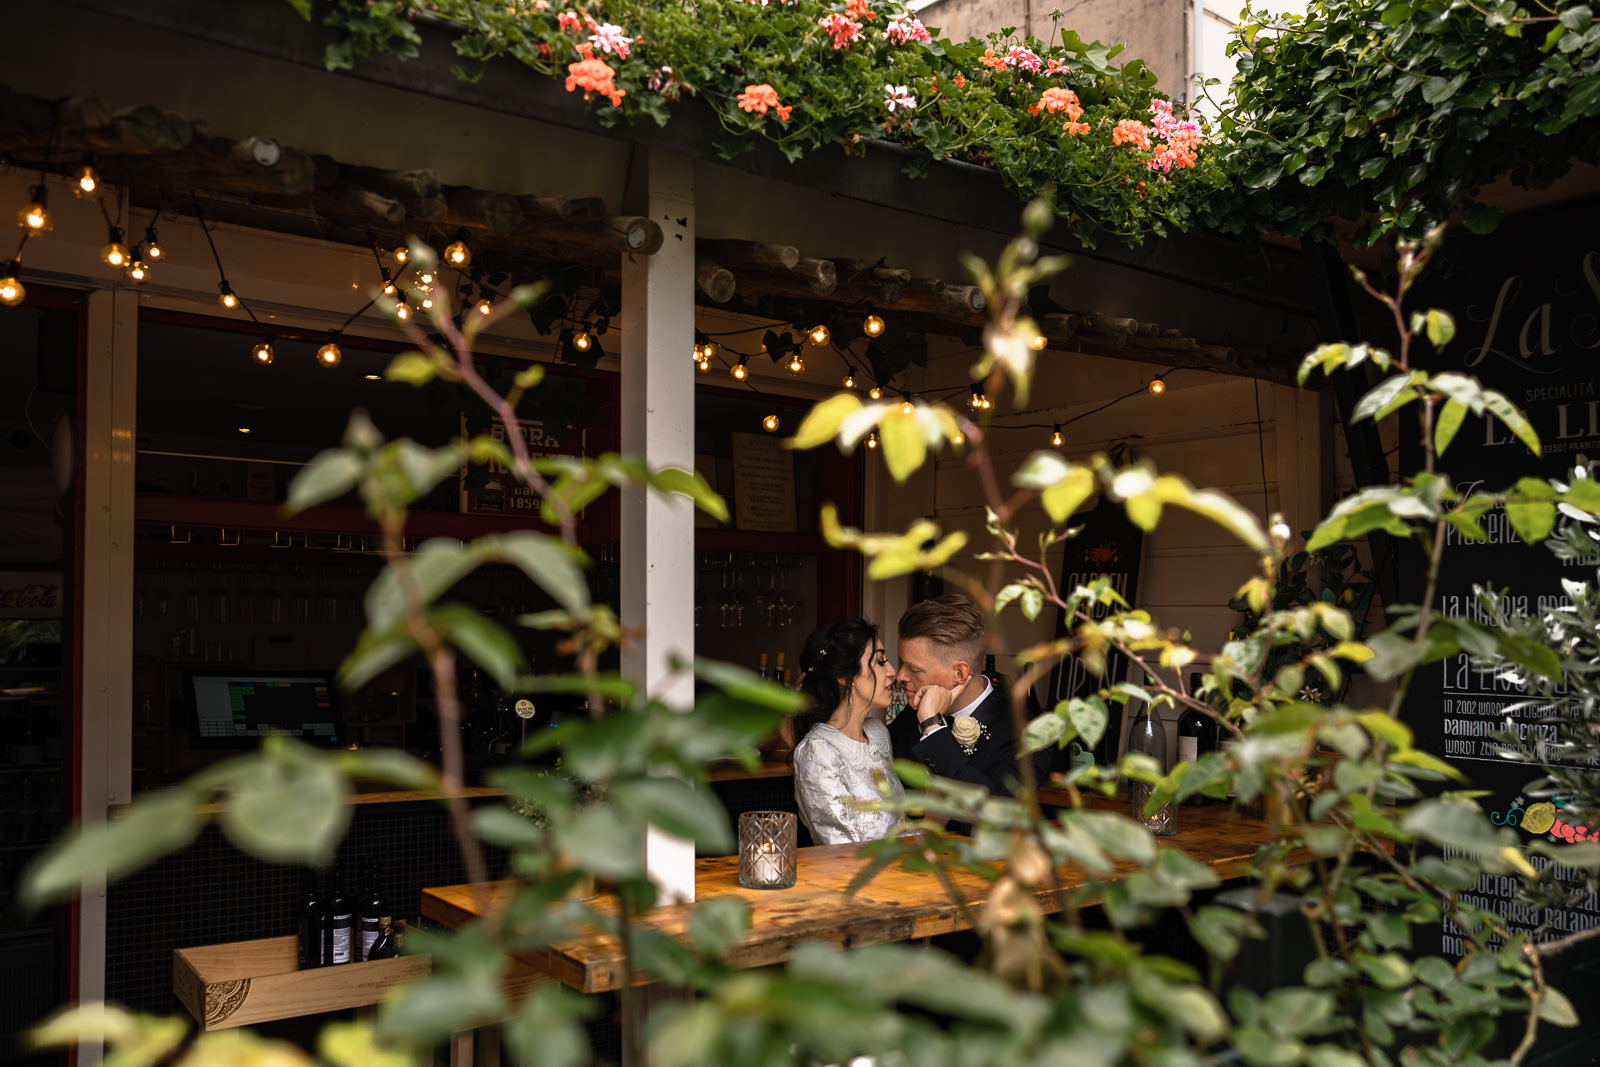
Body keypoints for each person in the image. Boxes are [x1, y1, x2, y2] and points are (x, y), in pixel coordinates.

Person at [889, 593, 1030, 796]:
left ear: (959, 673)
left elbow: (1000, 814)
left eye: (915, 669)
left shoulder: (1022, 730)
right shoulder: (908, 718)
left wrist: (932, 727)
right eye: (902, 663)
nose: (901, 676)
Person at [790, 618, 905, 845]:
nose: (892, 671)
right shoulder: (817, 751)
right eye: (880, 661)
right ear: (844, 676)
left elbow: (901, 826)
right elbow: (839, 845)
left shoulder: (878, 733)